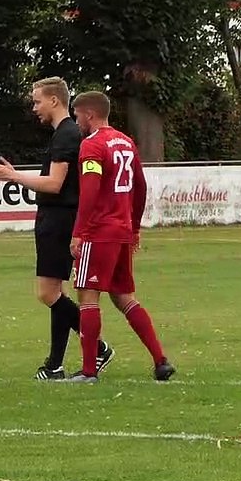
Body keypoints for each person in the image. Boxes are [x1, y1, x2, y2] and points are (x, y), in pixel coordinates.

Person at [0, 77, 111, 379]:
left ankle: (98, 347)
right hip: (57, 217)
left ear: (54, 100)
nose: (34, 107)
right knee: (56, 291)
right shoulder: (63, 134)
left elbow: (54, 184)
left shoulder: (66, 135)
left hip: (59, 219)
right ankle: (54, 364)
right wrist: (13, 174)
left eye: (37, 100)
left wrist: (11, 177)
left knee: (47, 293)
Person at [64, 91, 173, 383]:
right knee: (124, 297)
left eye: (77, 115)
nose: (76, 122)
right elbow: (140, 187)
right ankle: (160, 360)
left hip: (98, 231)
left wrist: (78, 233)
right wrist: (134, 227)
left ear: (89, 114)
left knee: (87, 295)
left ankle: (88, 371)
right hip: (121, 230)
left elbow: (89, 192)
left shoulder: (92, 145)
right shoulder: (126, 142)